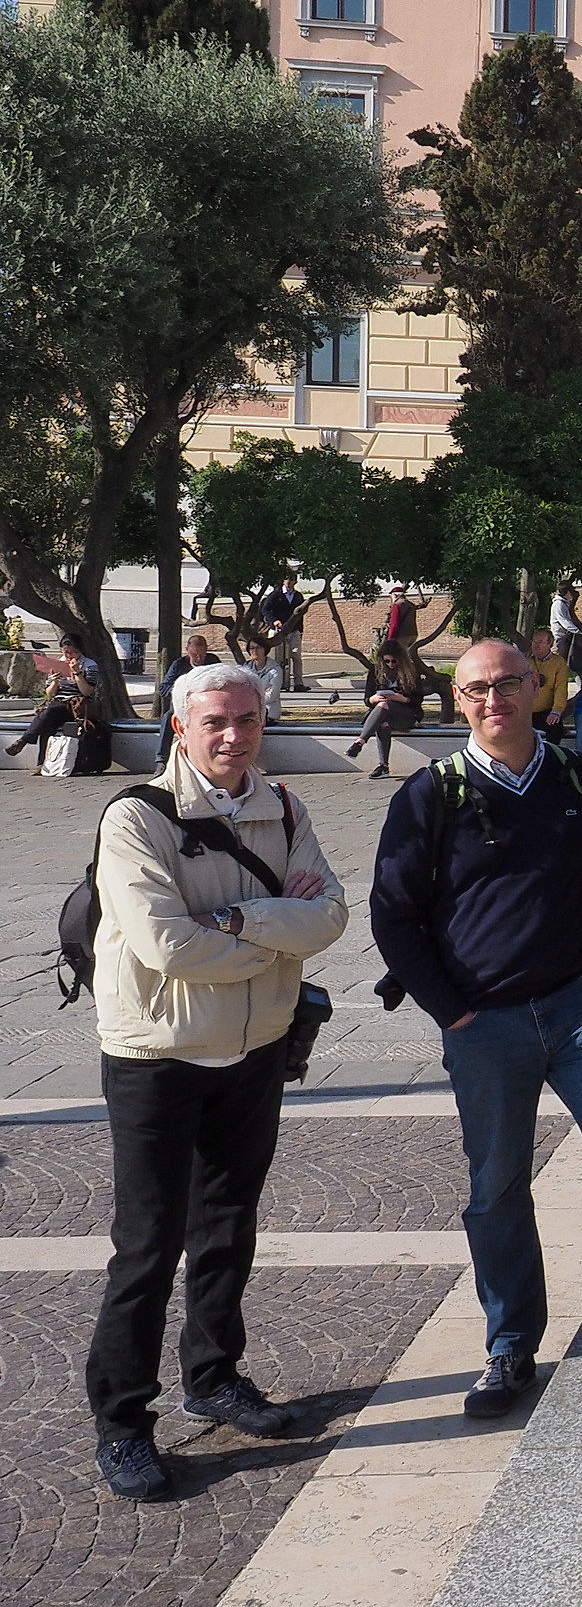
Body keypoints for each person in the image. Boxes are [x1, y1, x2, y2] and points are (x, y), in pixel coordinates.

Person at [371, 638, 582, 1418]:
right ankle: (510, 1342)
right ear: (458, 697)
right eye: (476, 688)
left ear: (536, 687)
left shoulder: (579, 777)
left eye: (507, 682)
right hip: (483, 1022)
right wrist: (452, 1009)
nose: (493, 699)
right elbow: (393, 913)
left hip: (578, 1009)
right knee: (497, 1185)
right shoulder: (429, 793)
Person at [86, 662, 347, 1500]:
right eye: (215, 722)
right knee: (149, 1242)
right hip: (157, 1054)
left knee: (229, 1225)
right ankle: (123, 1422)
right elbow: (167, 946)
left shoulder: (285, 807)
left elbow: (333, 915)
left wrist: (233, 921)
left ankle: (214, 1375)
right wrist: (279, 933)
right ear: (180, 728)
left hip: (256, 1047)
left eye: (247, 719)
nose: (234, 735)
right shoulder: (136, 818)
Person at [7, 631, 102, 759]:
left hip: (78, 704)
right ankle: (41, 763)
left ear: (79, 651)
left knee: (51, 712)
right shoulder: (58, 663)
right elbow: (50, 694)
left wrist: (78, 674)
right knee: (47, 725)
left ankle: (23, 741)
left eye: (72, 652)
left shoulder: (89, 665)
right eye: (65, 652)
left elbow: (87, 691)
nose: (68, 656)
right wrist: (55, 681)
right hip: (60, 703)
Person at [346, 641, 424, 780]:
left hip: (406, 714)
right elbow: (367, 700)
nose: (390, 664)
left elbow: (418, 699)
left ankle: (360, 742)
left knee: (384, 706)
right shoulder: (375, 672)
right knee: (383, 721)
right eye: (386, 661)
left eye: (394, 661)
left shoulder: (411, 671)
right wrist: (374, 699)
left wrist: (401, 698)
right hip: (383, 714)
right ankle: (384, 766)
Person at [155, 633, 219, 766]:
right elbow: (163, 688)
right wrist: (178, 691)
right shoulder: (179, 665)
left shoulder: (213, 662)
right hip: (184, 706)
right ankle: (161, 759)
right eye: (195, 654)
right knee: (168, 718)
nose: (199, 658)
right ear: (187, 650)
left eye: (202, 654)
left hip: (206, 706)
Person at [255, 571, 308, 691]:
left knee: (296, 656)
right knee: (276, 657)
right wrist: (274, 621)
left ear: (295, 582)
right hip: (277, 630)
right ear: (283, 581)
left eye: (292, 579)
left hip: (293, 631)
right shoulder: (276, 595)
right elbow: (266, 610)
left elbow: (300, 615)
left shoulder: (298, 596)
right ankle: (277, 683)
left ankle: (298, 683)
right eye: (287, 579)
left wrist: (300, 630)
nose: (289, 582)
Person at [526, 627, 570, 735]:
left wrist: (556, 711)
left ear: (549, 644)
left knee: (555, 728)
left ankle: (551, 752)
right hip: (525, 711)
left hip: (545, 711)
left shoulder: (558, 663)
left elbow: (560, 689)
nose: (536, 645)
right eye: (534, 641)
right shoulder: (524, 660)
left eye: (540, 642)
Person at [243, 637, 284, 724]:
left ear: (265, 649)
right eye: (252, 648)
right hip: (248, 713)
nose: (255, 650)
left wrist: (251, 696)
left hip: (268, 714)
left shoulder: (275, 670)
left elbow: (272, 695)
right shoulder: (246, 668)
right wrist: (262, 692)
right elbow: (241, 691)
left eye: (258, 647)